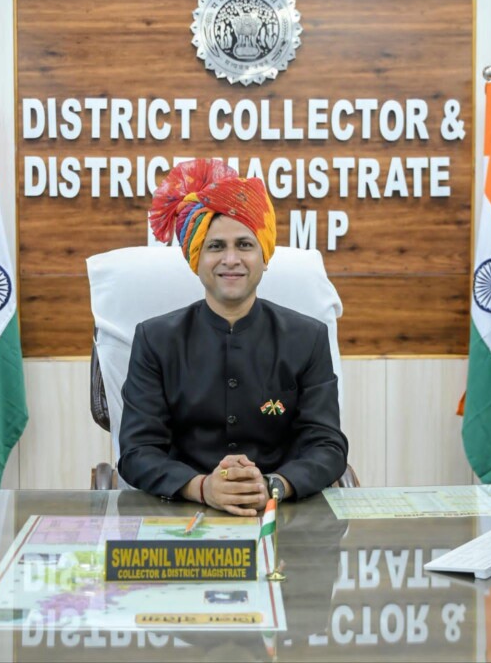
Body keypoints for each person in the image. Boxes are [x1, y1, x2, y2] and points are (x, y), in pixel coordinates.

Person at [118, 159, 348, 515]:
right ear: (196, 258)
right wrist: (202, 488)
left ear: (264, 256)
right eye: (215, 246)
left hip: (281, 513)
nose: (231, 259)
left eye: (244, 245)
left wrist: (272, 486)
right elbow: (137, 452)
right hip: (182, 512)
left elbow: (327, 446)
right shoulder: (155, 340)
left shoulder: (308, 338)